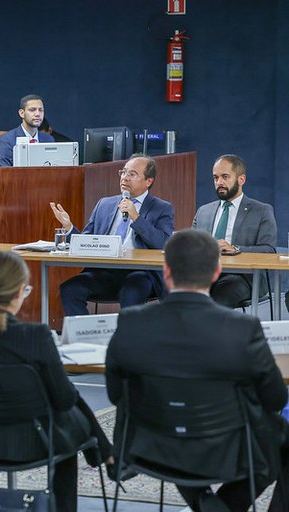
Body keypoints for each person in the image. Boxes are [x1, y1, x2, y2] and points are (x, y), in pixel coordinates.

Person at [106, 229, 289, 512]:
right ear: (217, 271)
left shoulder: (130, 322)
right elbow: (275, 399)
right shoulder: (243, 329)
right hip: (226, 450)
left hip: (152, 446)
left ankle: (205, 503)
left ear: (166, 272)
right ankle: (223, 506)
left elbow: (116, 394)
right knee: (280, 437)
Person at [0, 251, 112, 512]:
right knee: (67, 423)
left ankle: (106, 454)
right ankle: (99, 463)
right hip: (34, 445)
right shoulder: (36, 336)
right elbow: (65, 399)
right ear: (21, 291)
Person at [50, 153, 174, 315]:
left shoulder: (162, 208)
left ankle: (127, 339)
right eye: (123, 172)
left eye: (132, 174)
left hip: (140, 273)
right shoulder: (105, 204)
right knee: (70, 289)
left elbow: (163, 244)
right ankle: (85, 335)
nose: (125, 178)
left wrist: (136, 218)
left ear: (148, 181)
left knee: (131, 293)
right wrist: (69, 226)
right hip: (105, 271)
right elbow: (85, 242)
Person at [192, 154, 277, 307]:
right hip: (205, 273)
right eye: (215, 178)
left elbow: (269, 251)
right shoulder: (203, 211)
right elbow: (192, 245)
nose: (219, 182)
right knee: (177, 294)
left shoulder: (261, 210)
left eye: (225, 177)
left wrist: (235, 249)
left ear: (241, 179)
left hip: (242, 276)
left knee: (219, 297)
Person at [0, 94, 55, 166]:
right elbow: (4, 173)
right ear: (22, 113)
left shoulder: (48, 140)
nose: (38, 114)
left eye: (41, 110)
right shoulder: (6, 141)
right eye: (32, 110)